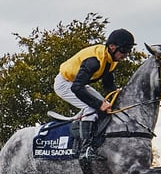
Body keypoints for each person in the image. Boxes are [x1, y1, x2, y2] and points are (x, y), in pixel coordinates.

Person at [54, 28, 136, 161]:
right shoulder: (94, 61)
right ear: (112, 47)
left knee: (106, 106)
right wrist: (99, 104)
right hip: (64, 84)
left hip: (77, 83)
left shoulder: (110, 61)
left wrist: (115, 98)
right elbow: (77, 88)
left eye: (128, 51)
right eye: (124, 50)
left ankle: (98, 142)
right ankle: (84, 149)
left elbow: (108, 85)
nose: (126, 54)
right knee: (91, 108)